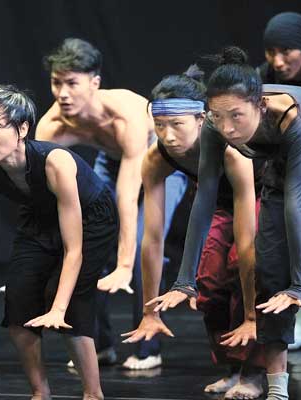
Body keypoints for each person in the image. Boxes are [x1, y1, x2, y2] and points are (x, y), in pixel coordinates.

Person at [0, 85, 118, 400]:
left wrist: (57, 308)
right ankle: (40, 392)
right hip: (39, 217)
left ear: (23, 128)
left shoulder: (55, 163)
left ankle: (92, 393)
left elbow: (73, 250)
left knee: (69, 306)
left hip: (92, 218)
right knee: (17, 305)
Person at [148, 46, 301, 400]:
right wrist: (184, 280)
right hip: (281, 173)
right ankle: (276, 387)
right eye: (219, 118)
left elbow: (297, 206)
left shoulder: (292, 117)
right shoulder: (217, 127)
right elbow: (203, 202)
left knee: (291, 274)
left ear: (260, 105)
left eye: (237, 116)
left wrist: (300, 284)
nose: (228, 128)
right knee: (269, 273)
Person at [35, 38, 187, 369]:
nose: (63, 93)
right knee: (89, 250)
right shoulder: (53, 124)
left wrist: (124, 263)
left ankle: (149, 346)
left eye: (72, 83)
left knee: (144, 246)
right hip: (111, 163)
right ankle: (99, 346)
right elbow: (38, 191)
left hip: (161, 166)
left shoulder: (127, 114)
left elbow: (128, 191)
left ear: (95, 83)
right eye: (56, 83)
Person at [123, 66, 265, 399]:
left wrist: (248, 314)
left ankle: (254, 372)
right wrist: (149, 311)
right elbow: (153, 240)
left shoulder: (231, 151)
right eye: (159, 125)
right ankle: (232, 369)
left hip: (263, 197)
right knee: (207, 286)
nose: (168, 135)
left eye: (177, 125)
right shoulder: (155, 159)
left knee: (242, 269)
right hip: (217, 204)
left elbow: (246, 243)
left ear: (202, 120)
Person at [258, 11, 301, 351]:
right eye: (271, 51)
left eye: (286, 51)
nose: (277, 60)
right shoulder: (263, 79)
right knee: (274, 254)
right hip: (282, 174)